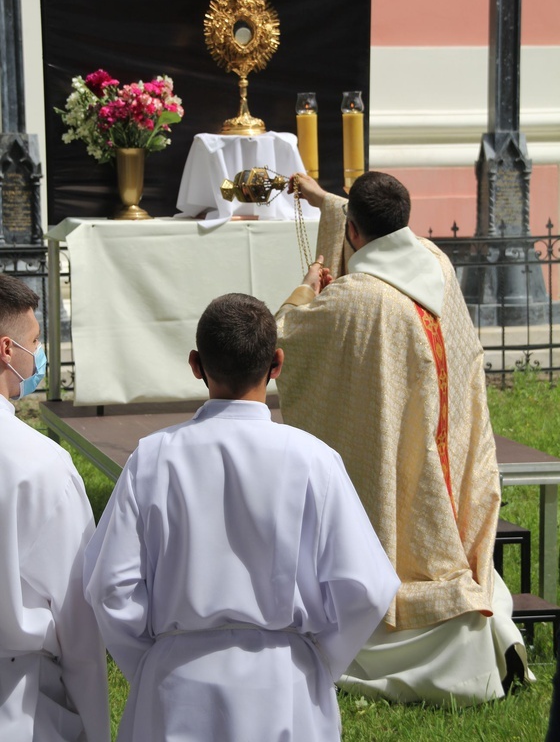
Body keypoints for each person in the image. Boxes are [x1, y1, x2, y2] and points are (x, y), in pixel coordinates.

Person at [83, 292, 400, 742]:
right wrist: (318, 658)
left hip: (176, 683)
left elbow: (109, 586)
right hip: (284, 682)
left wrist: (152, 660)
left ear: (195, 364)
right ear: (277, 363)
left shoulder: (154, 457)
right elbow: (368, 588)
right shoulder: (313, 459)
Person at [275, 171, 532, 706]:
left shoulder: (355, 301)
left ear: (353, 231)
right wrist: (330, 205)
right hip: (444, 461)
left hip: (399, 463)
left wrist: (305, 285)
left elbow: (283, 343)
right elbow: (369, 242)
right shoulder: (435, 264)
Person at [0, 274, 110, 742]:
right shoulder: (38, 464)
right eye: (35, 342)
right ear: (7, 350)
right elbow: (79, 624)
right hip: (18, 704)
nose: (39, 355)